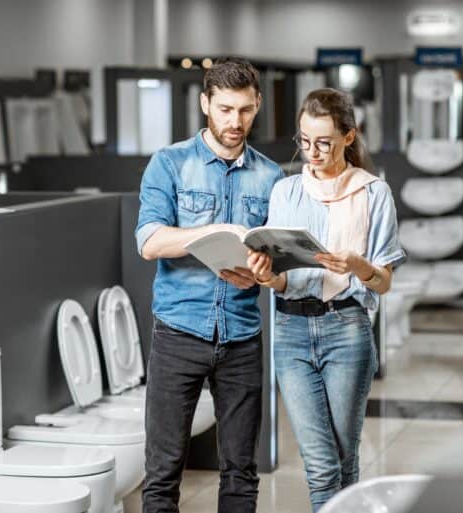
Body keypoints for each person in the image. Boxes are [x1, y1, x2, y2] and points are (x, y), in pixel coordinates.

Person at [135, 57, 284, 513]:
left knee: (241, 471)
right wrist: (213, 234)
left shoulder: (272, 176)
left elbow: (277, 269)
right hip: (178, 333)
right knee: (162, 472)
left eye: (243, 110)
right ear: (205, 104)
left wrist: (265, 271)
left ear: (257, 105)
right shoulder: (170, 163)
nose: (234, 122)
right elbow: (149, 240)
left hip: (241, 337)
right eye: (224, 109)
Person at [249, 88, 406, 512]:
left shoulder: (374, 194)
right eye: (304, 141)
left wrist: (358, 266)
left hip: (347, 330)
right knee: (320, 465)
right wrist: (269, 279)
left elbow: (385, 282)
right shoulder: (286, 193)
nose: (311, 152)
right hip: (291, 332)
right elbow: (282, 276)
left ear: (348, 138)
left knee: (344, 459)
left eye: (324, 142)